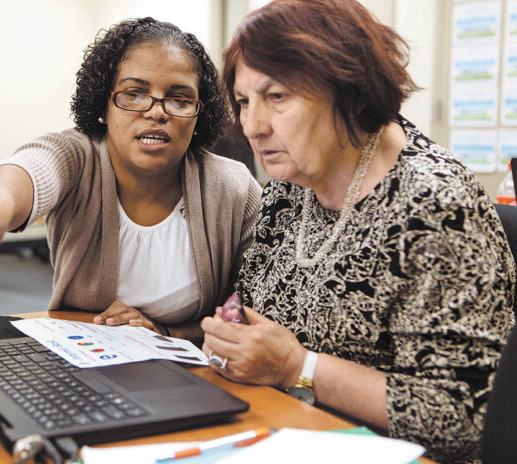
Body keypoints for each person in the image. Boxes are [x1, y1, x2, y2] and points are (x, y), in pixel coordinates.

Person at [200, 1, 515, 462]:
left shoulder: (436, 205)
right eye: (245, 101)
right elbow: (250, 309)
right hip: (283, 430)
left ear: (347, 88)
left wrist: (296, 366)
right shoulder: (289, 189)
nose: (251, 125)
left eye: (277, 97)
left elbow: (464, 416)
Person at [0, 17, 262, 344]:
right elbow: (34, 165)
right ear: (105, 102)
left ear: (198, 112)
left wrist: (165, 334)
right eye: (134, 93)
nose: (158, 112)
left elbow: (249, 314)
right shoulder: (78, 156)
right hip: (80, 370)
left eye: (179, 99)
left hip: (194, 379)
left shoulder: (233, 187)